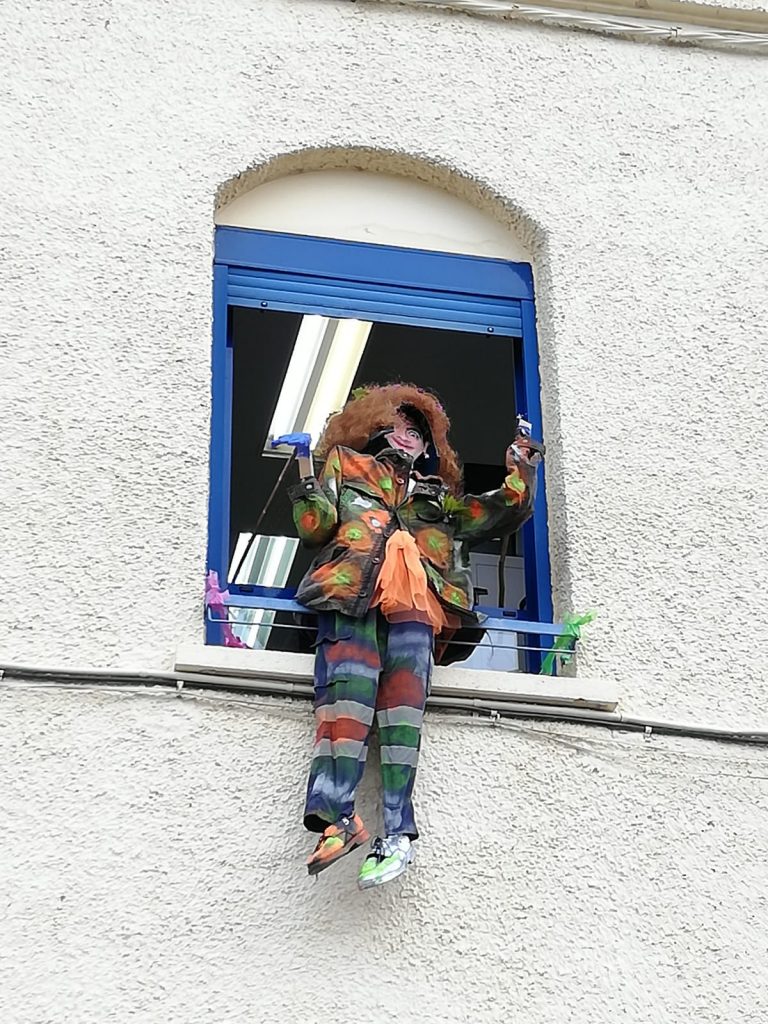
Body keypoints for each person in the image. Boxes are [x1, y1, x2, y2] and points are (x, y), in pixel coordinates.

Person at [288, 383, 542, 889]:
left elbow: (498, 511)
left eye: (418, 433)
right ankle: (337, 818)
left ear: (429, 447)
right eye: (398, 426)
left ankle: (397, 834)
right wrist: (302, 469)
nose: (407, 437)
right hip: (350, 596)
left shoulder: (438, 498)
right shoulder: (347, 465)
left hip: (418, 605)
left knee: (403, 715)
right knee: (345, 701)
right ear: (375, 429)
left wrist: (521, 468)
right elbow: (315, 526)